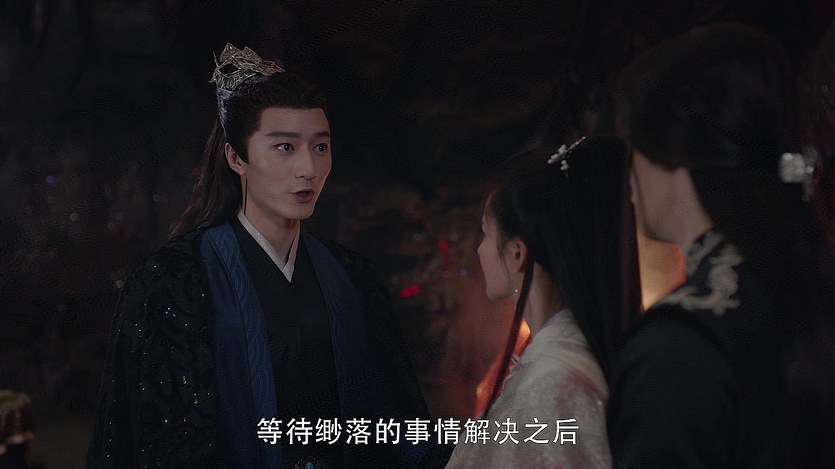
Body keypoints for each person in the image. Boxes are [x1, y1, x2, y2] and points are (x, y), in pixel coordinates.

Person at [86, 43, 446, 468]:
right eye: (284, 147)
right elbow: (164, 440)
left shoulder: (352, 276)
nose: (308, 169)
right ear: (236, 157)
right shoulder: (176, 278)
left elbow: (393, 421)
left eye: (320, 147)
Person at [608, 23, 835, 468]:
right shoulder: (811, 287)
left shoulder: (679, 343)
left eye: (632, 145)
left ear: (668, 150)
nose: (629, 180)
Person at [445, 136, 641, 468]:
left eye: (486, 234)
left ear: (517, 253)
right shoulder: (564, 359)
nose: (479, 250)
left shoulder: (550, 385)